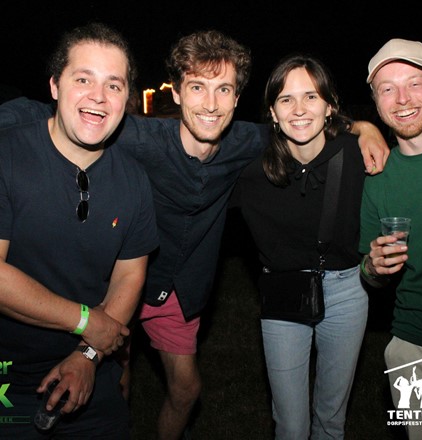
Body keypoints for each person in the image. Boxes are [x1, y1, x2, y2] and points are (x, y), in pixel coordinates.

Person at [0, 30, 389, 440]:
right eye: (198, 87)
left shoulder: (247, 142)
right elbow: (53, 112)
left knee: (186, 390)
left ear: (237, 99)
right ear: (178, 93)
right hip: (119, 280)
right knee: (115, 384)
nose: (211, 103)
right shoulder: (135, 135)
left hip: (178, 290)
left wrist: (363, 127)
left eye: (224, 89)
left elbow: (304, 123)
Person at [0, 22, 159, 439]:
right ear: (55, 86)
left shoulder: (134, 180)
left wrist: (87, 355)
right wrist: (87, 322)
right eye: (83, 79)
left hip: (90, 372)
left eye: (114, 85)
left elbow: (130, 276)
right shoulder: (7, 156)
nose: (98, 97)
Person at [232, 53, 369, 439]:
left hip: (347, 291)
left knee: (331, 421)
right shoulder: (252, 170)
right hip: (283, 293)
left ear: (330, 106)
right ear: (272, 113)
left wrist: (367, 128)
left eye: (310, 96)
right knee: (291, 426)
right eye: (286, 99)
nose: (299, 109)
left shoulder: (357, 154)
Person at [359, 38, 422, 440]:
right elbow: (369, 273)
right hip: (416, 348)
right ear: (376, 102)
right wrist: (373, 266)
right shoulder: (376, 181)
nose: (403, 99)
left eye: (415, 83)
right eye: (387, 88)